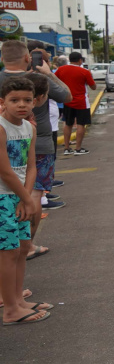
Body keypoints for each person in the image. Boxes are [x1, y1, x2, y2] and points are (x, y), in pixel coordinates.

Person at [0, 75, 51, 325]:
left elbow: (31, 167)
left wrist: (26, 198)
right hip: (2, 197)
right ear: (3, 102)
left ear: (35, 102)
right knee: (7, 253)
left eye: (27, 100)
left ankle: (19, 300)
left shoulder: (29, 127)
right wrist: (25, 198)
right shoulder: (0, 127)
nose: (22, 105)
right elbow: (5, 170)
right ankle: (10, 309)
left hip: (18, 196)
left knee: (21, 249)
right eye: (15, 100)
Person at [55, 51, 97, 156]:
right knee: (81, 124)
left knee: (67, 123)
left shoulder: (61, 69)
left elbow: (54, 81)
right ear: (80, 60)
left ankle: (66, 148)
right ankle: (78, 149)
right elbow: (93, 87)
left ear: (70, 59)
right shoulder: (84, 72)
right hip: (81, 102)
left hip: (67, 100)